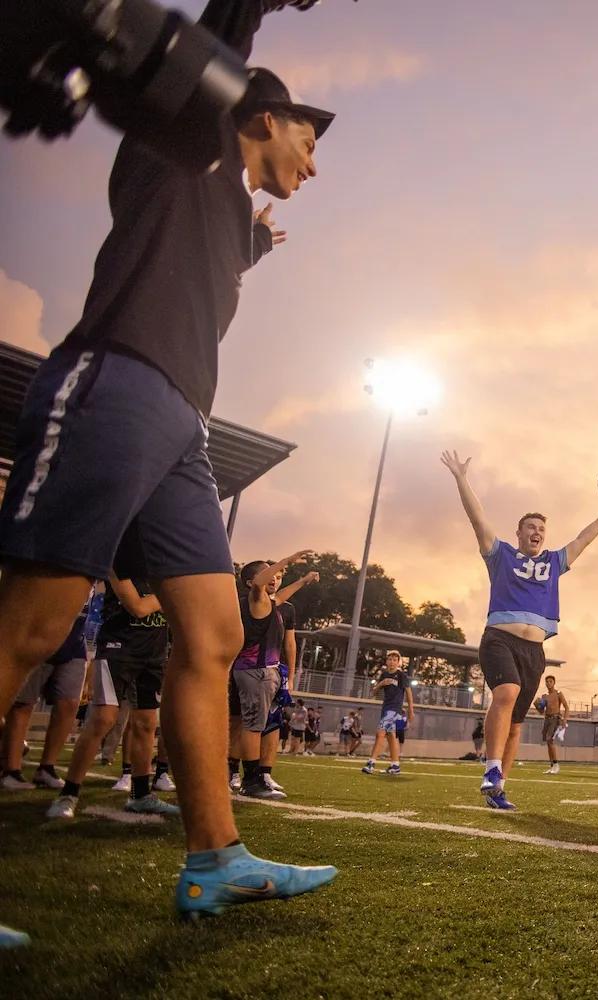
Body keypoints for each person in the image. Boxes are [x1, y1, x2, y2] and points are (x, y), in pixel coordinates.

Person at [0, 0, 344, 925]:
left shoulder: (224, 207)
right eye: (309, 139)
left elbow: (203, 259)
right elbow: (216, 50)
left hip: (183, 427)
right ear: (259, 115)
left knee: (217, 635)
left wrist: (253, 246)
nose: (315, 163)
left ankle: (215, 859)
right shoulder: (186, 145)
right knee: (30, 627)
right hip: (115, 384)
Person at [440, 450, 598, 811]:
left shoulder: (554, 562)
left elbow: (583, 540)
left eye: (541, 529)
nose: (536, 532)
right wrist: (461, 478)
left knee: (517, 724)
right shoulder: (501, 555)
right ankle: (491, 768)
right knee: (506, 692)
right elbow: (478, 519)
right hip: (499, 639)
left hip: (535, 651)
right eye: (530, 527)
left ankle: (499, 788)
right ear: (519, 532)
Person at [48, 577, 178, 819]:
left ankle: (140, 795)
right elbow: (137, 607)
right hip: (118, 647)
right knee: (103, 718)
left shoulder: (165, 565)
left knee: (146, 724)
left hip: (154, 652)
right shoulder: (120, 560)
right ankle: (68, 793)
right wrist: (169, 596)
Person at [0, 590, 97, 790]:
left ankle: (47, 768)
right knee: (23, 704)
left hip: (75, 639)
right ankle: (11, 770)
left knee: (69, 704)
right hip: (41, 633)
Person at [230, 555, 309, 799]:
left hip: (261, 671)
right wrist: (289, 559)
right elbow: (259, 583)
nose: (274, 577)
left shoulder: (270, 602)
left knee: (255, 726)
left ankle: (253, 778)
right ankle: (251, 781)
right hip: (255, 670)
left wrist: (303, 580)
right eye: (268, 573)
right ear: (251, 582)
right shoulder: (255, 599)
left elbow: (282, 595)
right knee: (252, 727)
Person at [363, 651, 414, 775]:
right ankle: (395, 766)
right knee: (391, 736)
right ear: (387, 661)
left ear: (398, 662)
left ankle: (371, 763)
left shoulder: (401, 675)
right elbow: (373, 692)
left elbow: (409, 694)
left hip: (395, 709)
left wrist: (411, 711)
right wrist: (381, 683)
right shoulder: (384, 674)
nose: (392, 662)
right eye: (390, 659)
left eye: (394, 660)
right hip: (385, 708)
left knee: (380, 733)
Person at [539, 675, 570, 775]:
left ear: (554, 683)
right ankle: (552, 765)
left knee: (550, 739)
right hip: (547, 719)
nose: (548, 683)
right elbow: (541, 711)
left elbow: (566, 707)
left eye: (550, 681)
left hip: (555, 718)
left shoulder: (558, 693)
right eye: (547, 681)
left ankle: (556, 764)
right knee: (548, 742)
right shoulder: (544, 696)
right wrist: (539, 706)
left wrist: (565, 719)